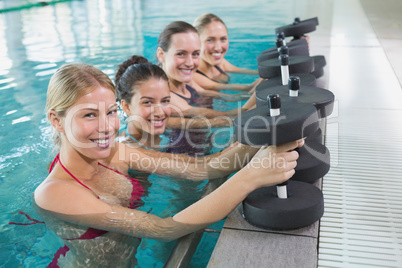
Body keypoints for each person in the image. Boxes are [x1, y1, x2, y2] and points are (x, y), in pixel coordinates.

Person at [34, 63, 301, 267]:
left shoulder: (117, 152)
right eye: (90, 115)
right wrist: (251, 177)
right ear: (56, 121)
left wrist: (269, 131)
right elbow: (162, 229)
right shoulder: (56, 192)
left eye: (111, 112)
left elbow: (205, 168)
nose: (107, 127)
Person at [156, 21, 257, 119]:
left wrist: (256, 90)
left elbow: (229, 97)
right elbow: (227, 117)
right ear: (161, 55)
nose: (190, 63)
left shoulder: (186, 81)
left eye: (195, 54)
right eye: (181, 54)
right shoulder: (165, 96)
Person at [193, 14, 262, 91]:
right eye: (210, 40)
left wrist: (271, 72)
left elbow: (247, 72)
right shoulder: (193, 75)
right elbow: (247, 90)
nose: (218, 48)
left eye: (223, 39)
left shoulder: (220, 64)